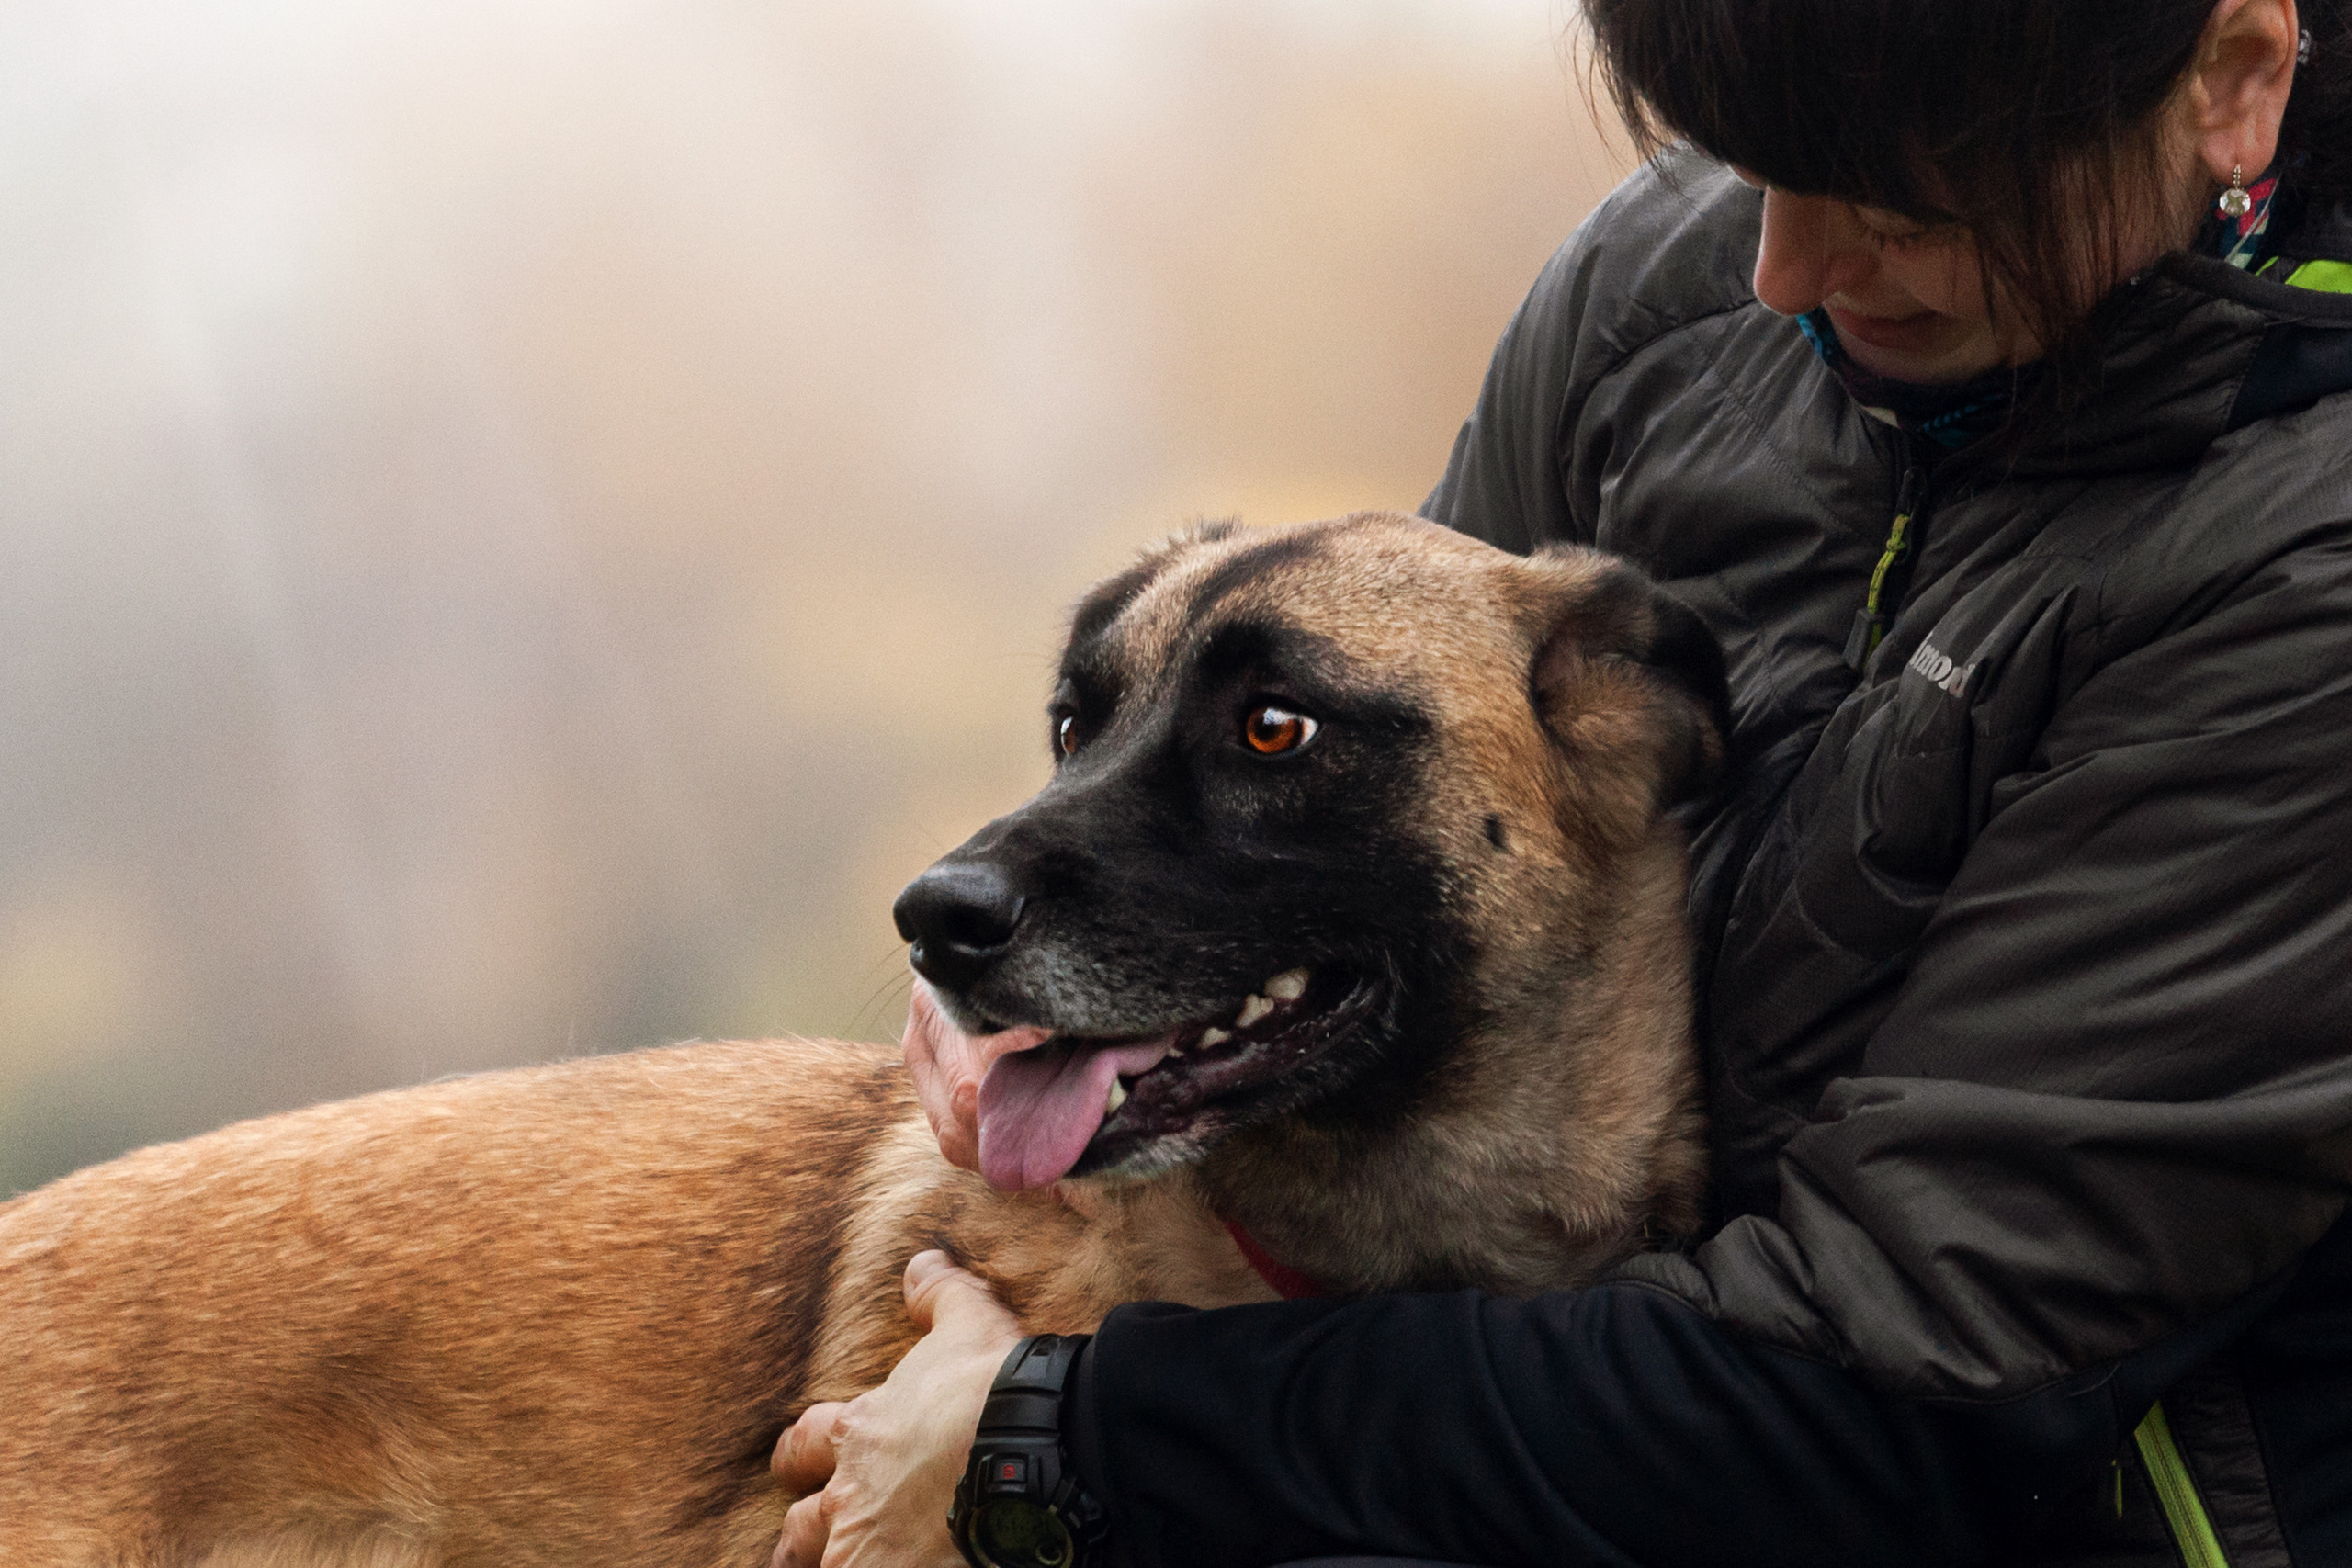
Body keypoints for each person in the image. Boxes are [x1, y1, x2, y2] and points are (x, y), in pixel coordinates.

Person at [772, 0, 2352, 1562]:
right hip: (1522, 1393)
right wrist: (1069, 987)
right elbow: (1350, 719)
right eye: (1748, 161)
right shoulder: (1663, 287)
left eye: (1893, 205)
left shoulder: (2301, 566)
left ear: (2233, 81)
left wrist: (1069, 1433)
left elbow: (1900, 1397)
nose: (1777, 273)